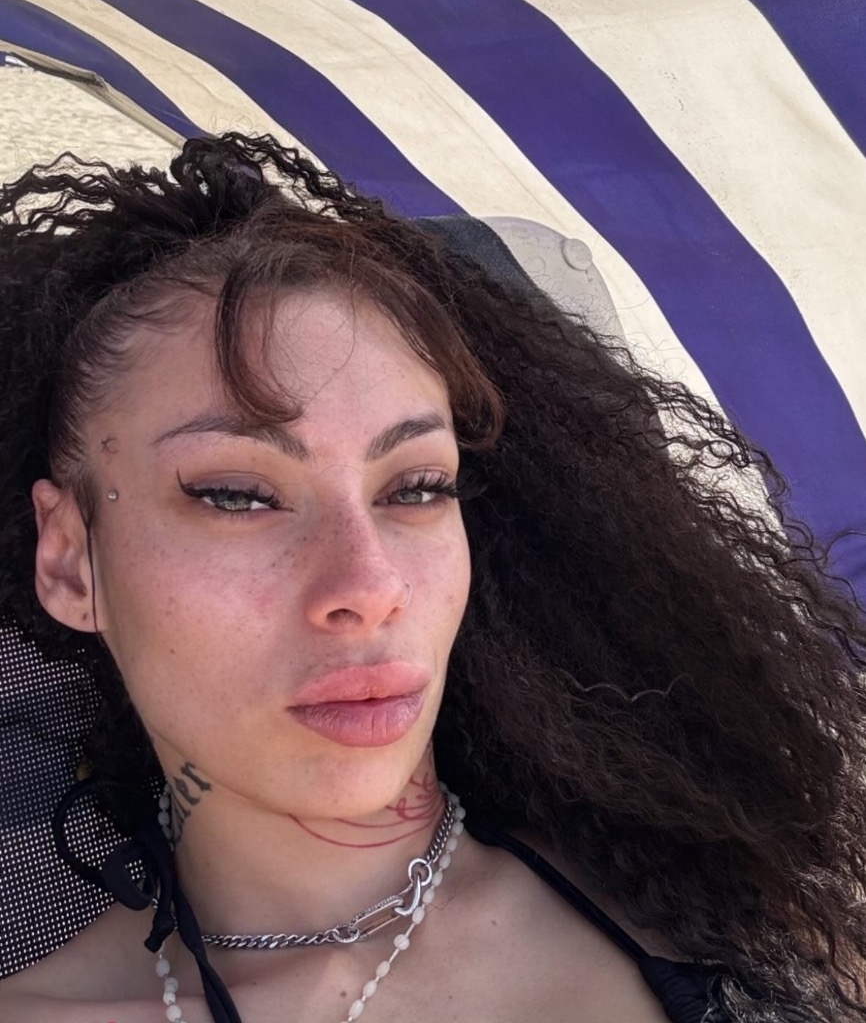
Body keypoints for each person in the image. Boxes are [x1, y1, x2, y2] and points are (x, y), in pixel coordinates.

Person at [0, 132, 864, 1023]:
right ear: (71, 561)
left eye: (415, 488)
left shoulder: (749, 921)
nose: (371, 585)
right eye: (237, 495)